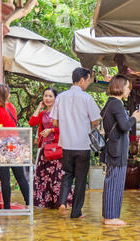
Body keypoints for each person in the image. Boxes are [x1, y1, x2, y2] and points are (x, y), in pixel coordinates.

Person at [50, 67, 101, 218]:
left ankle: (62, 202)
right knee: (80, 179)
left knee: (67, 174)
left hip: (66, 144)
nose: (88, 84)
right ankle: (76, 212)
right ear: (82, 80)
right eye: (88, 80)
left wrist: (67, 126)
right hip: (83, 145)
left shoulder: (60, 97)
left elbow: (54, 122)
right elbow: (95, 122)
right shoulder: (87, 98)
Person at [100, 74, 140, 226]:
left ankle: (109, 215)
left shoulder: (110, 103)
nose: (129, 91)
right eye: (127, 87)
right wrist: (135, 118)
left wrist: (131, 117)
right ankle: (111, 217)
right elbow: (124, 126)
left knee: (112, 181)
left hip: (113, 148)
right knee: (115, 182)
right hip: (116, 149)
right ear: (120, 87)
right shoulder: (117, 104)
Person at [29, 87, 73, 209]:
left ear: (55, 98)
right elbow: (32, 122)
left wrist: (51, 130)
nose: (47, 98)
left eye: (50, 96)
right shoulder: (43, 113)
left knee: (57, 176)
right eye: (45, 96)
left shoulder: (59, 112)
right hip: (44, 149)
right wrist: (39, 107)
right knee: (44, 177)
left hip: (56, 148)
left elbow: (65, 127)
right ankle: (47, 202)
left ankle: (63, 202)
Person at [0, 84, 30, 209]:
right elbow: (0, 112)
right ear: (9, 95)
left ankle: (6, 207)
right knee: (20, 176)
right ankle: (29, 204)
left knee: (5, 179)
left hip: (2, 148)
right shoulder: (11, 107)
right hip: (15, 146)